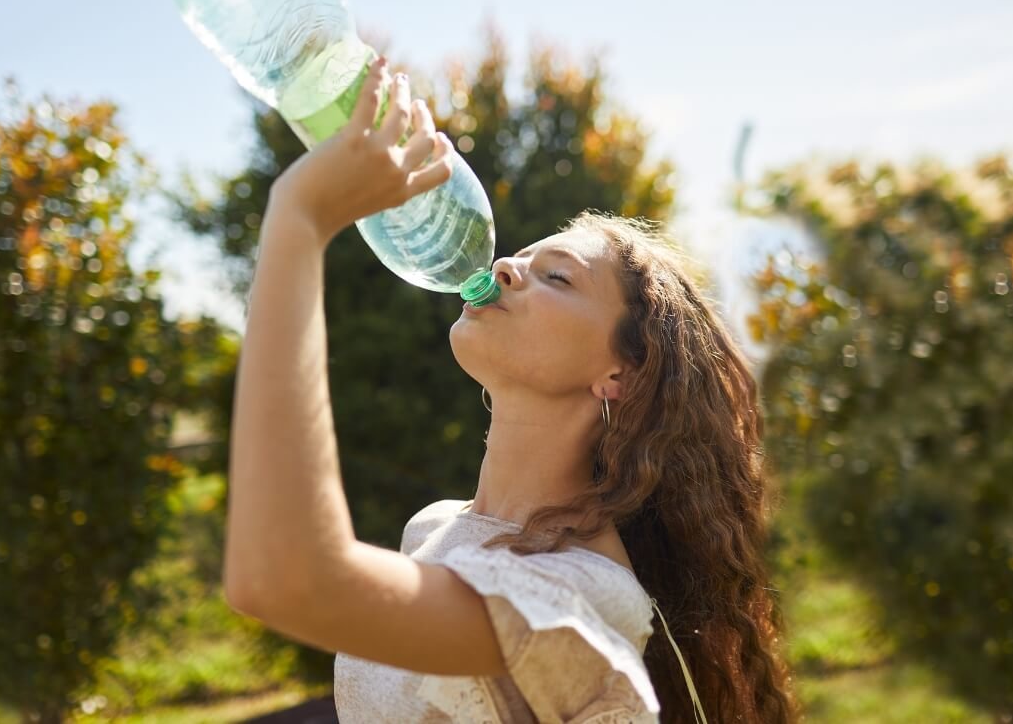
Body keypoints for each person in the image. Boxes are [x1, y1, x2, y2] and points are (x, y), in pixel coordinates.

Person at [224, 56, 799, 724]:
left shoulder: (581, 592)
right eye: (521, 256)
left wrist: (299, 218)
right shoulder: (434, 529)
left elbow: (284, 580)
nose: (504, 266)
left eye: (557, 276)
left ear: (620, 374)